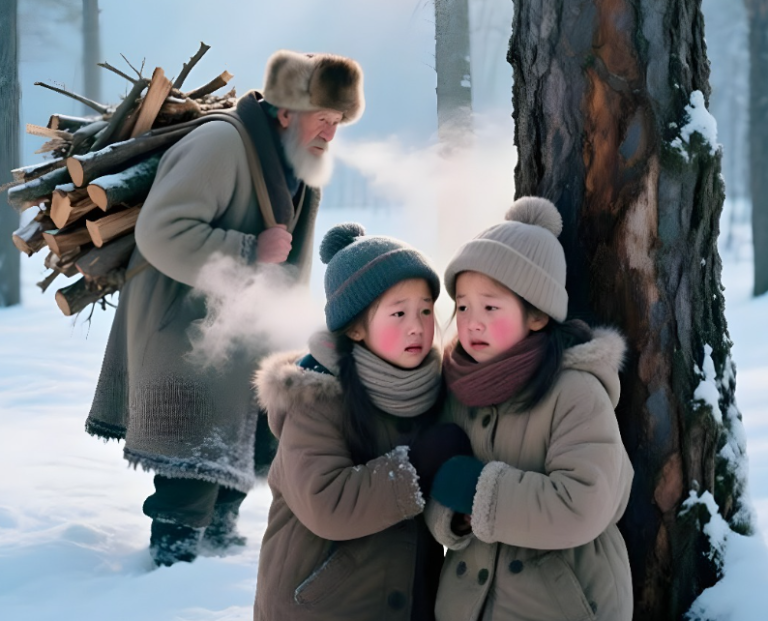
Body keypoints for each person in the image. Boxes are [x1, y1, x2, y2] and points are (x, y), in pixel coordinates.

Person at [84, 50, 365, 567]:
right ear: (286, 111)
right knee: (194, 446)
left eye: (338, 121)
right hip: (181, 323)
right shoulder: (220, 144)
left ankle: (217, 547)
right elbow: (160, 232)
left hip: (242, 327)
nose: (331, 132)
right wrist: (247, 250)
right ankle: (171, 563)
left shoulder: (300, 163)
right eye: (323, 118)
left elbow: (288, 261)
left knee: (251, 434)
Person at [425, 196, 635, 621]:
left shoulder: (575, 392)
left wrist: (481, 492)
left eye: (490, 306)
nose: (472, 321)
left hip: (560, 602)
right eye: (462, 306)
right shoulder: (457, 390)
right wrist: (451, 515)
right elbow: (438, 487)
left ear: (537, 316)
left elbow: (585, 503)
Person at [253, 223, 472, 621]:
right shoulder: (316, 400)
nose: (416, 326)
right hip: (321, 607)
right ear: (354, 328)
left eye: (425, 310)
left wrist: (454, 513)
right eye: (398, 313)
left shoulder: (431, 391)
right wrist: (416, 467)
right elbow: (326, 503)